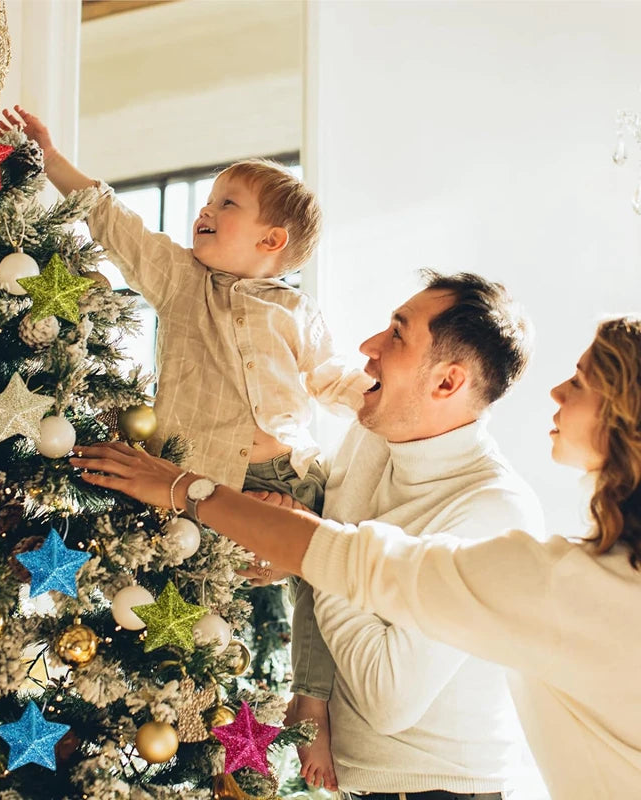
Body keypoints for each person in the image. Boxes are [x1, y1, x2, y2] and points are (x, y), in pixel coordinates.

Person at [72, 312, 641, 800]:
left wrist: (185, 490)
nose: (557, 392)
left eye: (581, 381)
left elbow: (341, 559)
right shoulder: (374, 446)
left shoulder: (557, 573)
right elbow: (342, 553)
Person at [0, 105, 370, 783]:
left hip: (287, 477)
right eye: (206, 201)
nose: (205, 211)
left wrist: (376, 395)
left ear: (270, 241)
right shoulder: (179, 281)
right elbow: (112, 218)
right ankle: (192, 734)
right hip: (196, 484)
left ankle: (311, 702)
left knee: (324, 582)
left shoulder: (294, 310)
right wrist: (50, 157)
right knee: (188, 603)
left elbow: (329, 378)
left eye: (226, 204)